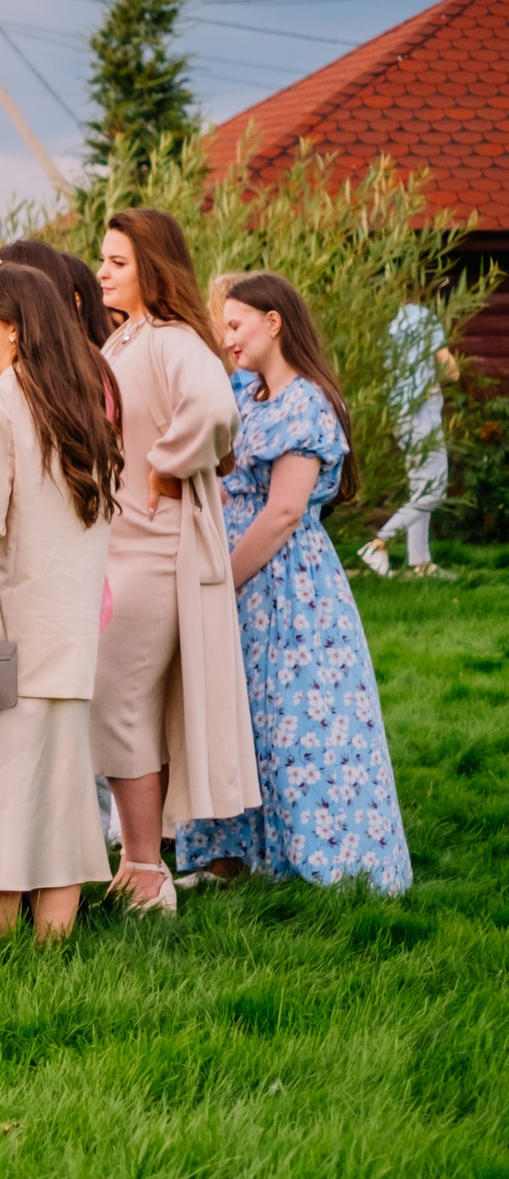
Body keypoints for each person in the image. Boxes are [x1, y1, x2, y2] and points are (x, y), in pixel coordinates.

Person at [176, 274, 412, 892]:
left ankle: (323, 867)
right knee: (243, 718)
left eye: (235, 325)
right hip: (246, 583)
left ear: (273, 322)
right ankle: (237, 859)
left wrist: (220, 581)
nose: (226, 338)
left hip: (286, 587)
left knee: (298, 723)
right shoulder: (247, 395)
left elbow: (283, 512)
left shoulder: (304, 403)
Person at [0, 264, 124, 940]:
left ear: (14, 328)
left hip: (1, 637)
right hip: (67, 635)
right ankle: (52, 950)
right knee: (60, 804)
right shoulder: (80, 405)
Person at [94, 208, 262, 913]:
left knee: (121, 701)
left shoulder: (171, 340)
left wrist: (166, 466)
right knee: (122, 704)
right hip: (117, 539)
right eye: (102, 259)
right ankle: (139, 861)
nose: (103, 271)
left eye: (118, 262)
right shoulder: (124, 338)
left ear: (153, 268)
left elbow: (216, 406)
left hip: (155, 546)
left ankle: (146, 872)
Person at [364, 299, 452, 579]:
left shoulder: (385, 321)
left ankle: (420, 562)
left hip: (399, 413)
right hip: (422, 412)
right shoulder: (424, 318)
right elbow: (450, 369)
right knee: (433, 490)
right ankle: (379, 542)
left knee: (420, 487)